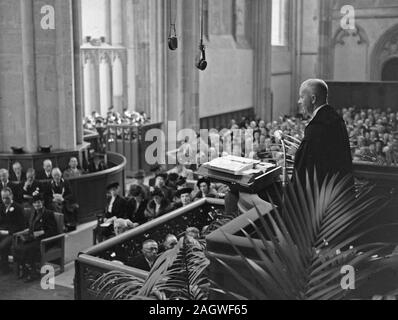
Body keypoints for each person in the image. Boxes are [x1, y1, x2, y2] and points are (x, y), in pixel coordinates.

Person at [294, 79, 353, 187]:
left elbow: (305, 168)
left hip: (322, 193)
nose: (299, 101)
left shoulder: (317, 126)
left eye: (302, 97)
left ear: (313, 99)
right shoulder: (334, 117)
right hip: (338, 189)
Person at [13, 194, 58, 282]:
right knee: (18, 247)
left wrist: (42, 232)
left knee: (28, 249)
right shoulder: (33, 212)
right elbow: (30, 227)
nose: (37, 204)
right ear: (33, 204)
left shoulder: (48, 213)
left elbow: (54, 231)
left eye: (39, 202)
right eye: (35, 203)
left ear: (42, 202)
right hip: (33, 238)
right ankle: (26, 269)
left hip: (45, 240)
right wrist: (28, 234)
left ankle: (33, 273)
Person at [0, 188, 26, 274]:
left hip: (13, 234)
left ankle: (5, 268)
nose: (5, 200)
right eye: (3, 198)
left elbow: (21, 226)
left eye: (7, 198)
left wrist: (7, 232)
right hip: (2, 231)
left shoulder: (18, 208)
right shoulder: (1, 207)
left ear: (11, 196)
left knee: (2, 246)